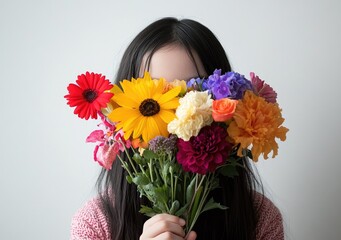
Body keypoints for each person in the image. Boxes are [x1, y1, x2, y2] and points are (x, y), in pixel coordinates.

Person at [70, 17, 284, 240]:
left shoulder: (259, 218)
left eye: (191, 91)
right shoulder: (95, 223)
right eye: (158, 93)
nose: (175, 112)